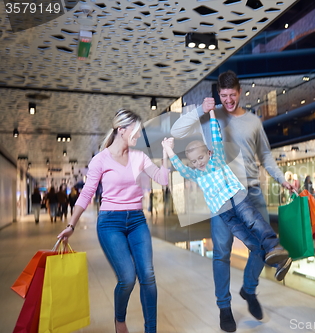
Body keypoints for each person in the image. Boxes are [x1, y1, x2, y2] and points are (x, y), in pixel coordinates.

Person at [170, 70, 293, 332]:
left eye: (232, 95)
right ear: (218, 94)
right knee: (222, 254)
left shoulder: (253, 122)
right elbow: (175, 129)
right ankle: (224, 308)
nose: (227, 100)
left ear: (239, 91)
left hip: (251, 191)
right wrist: (197, 111)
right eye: (222, 96)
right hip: (221, 198)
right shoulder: (207, 118)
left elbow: (266, 157)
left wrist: (283, 180)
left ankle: (249, 290)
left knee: (263, 247)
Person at [57, 109, 170, 333]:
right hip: (110, 224)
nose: (138, 136)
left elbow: (163, 179)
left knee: (147, 275)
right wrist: (71, 225)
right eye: (135, 132)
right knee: (127, 277)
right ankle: (120, 319)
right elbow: (87, 193)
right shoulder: (100, 160)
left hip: (137, 220)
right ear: (121, 130)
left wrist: (166, 154)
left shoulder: (139, 157)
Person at [165, 110, 292, 279]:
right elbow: (181, 169)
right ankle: (278, 262)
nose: (198, 163)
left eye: (200, 158)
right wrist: (168, 150)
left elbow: (216, 136)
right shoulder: (196, 174)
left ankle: (274, 246)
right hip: (223, 211)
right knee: (248, 239)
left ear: (209, 153)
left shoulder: (217, 158)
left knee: (253, 221)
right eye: (194, 162)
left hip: (237, 198)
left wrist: (211, 114)